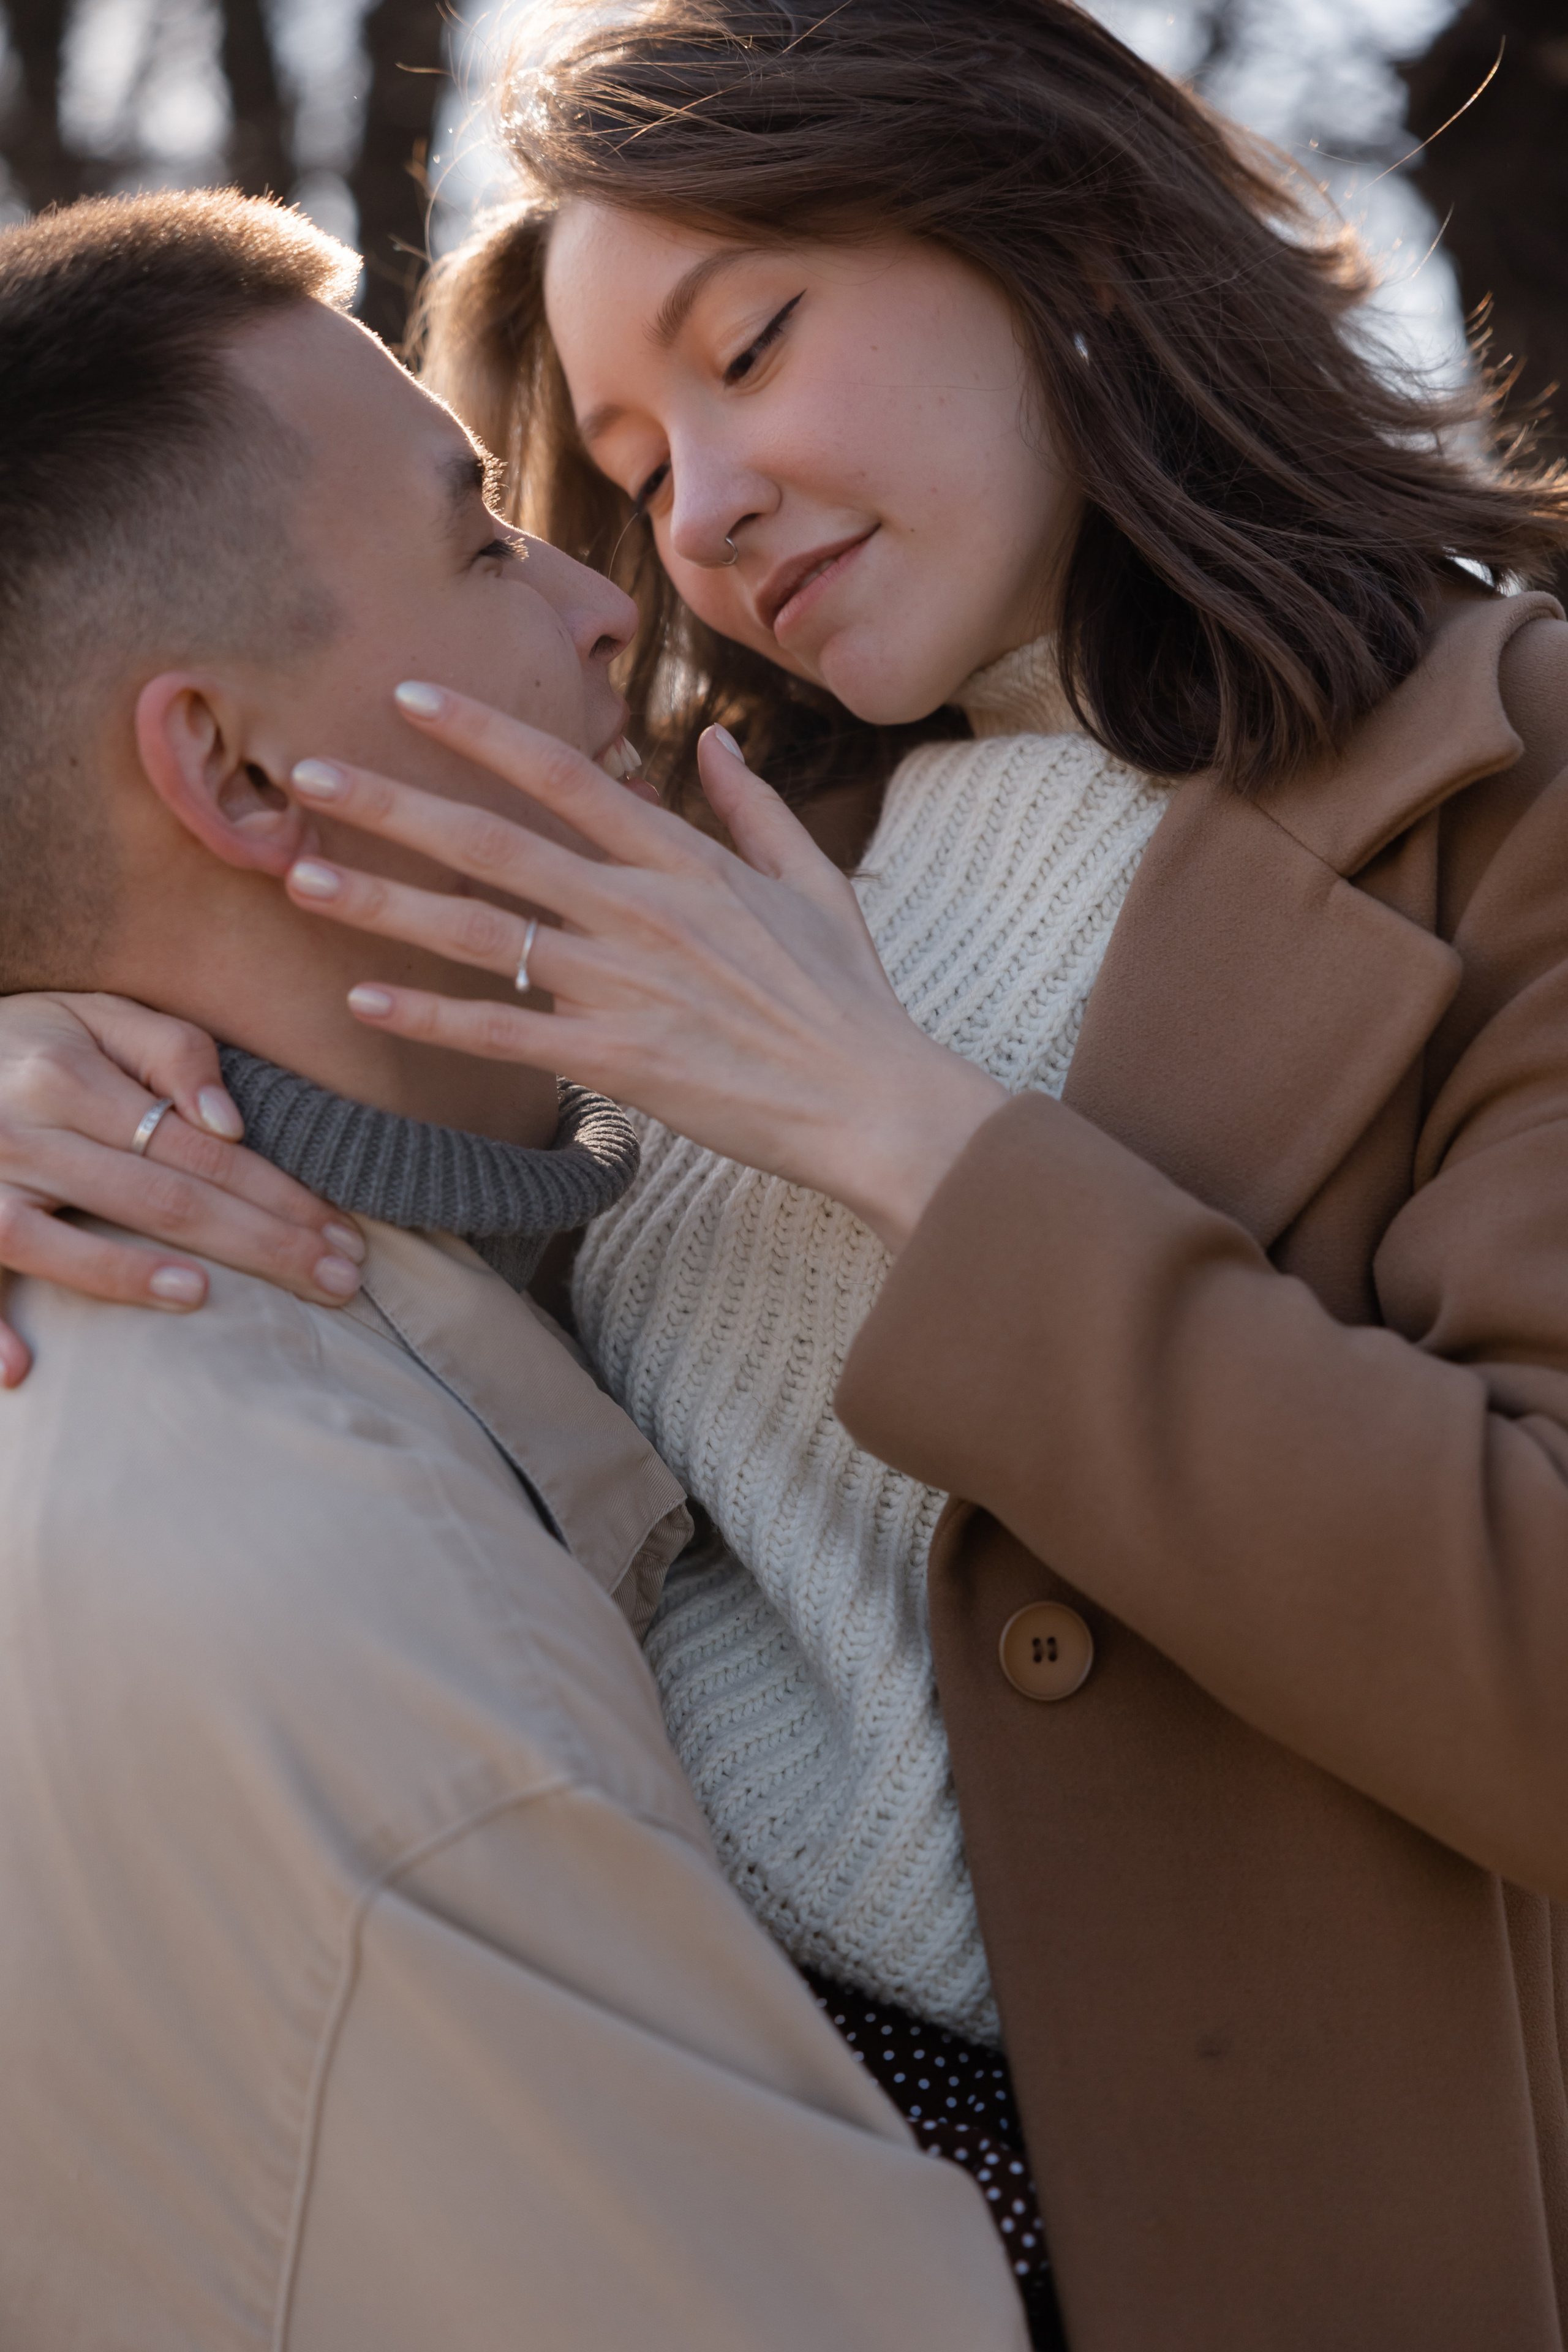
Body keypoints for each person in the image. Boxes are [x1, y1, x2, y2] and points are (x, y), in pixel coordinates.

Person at [5, 4, 1568, 2346]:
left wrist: (906, 1137)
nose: (694, 514)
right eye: (624, 460)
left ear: (1065, 241)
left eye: (753, 347)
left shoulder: (1506, 799)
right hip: (669, 2140)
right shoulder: (708, 838)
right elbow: (301, 1067)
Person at [0, 189, 1031, 2351]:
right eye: (485, 544)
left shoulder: (387, 1321)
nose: (609, 598)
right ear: (236, 771)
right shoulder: (365, 1647)